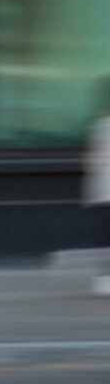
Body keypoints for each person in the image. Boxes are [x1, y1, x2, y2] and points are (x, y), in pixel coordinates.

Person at [83, 77, 110, 296]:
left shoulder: (100, 125)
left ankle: (103, 279)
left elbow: (93, 161)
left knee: (103, 237)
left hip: (102, 191)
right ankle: (103, 279)